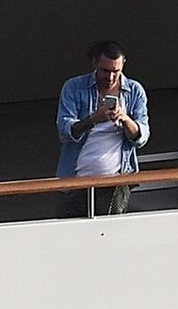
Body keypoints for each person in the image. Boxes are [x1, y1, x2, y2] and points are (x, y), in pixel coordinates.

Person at [55, 40, 149, 215]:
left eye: (116, 71)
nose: (110, 77)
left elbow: (142, 137)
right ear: (94, 63)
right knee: (70, 227)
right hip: (75, 181)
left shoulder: (135, 91)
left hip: (116, 183)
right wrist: (94, 119)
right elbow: (64, 130)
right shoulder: (74, 87)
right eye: (105, 71)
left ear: (123, 64)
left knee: (111, 229)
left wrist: (125, 119)